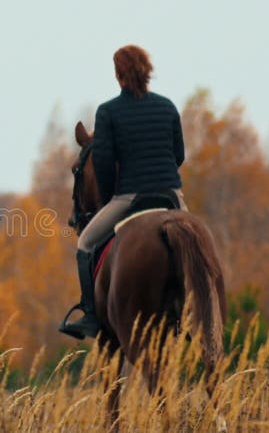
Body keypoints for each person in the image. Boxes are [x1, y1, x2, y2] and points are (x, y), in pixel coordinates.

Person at [59, 45, 188, 340]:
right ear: (147, 72)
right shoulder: (167, 106)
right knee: (197, 247)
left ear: (118, 75)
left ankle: (90, 315)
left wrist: (109, 198)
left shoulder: (108, 112)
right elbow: (178, 155)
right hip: (171, 195)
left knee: (85, 241)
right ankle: (195, 313)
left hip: (130, 196)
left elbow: (102, 164)